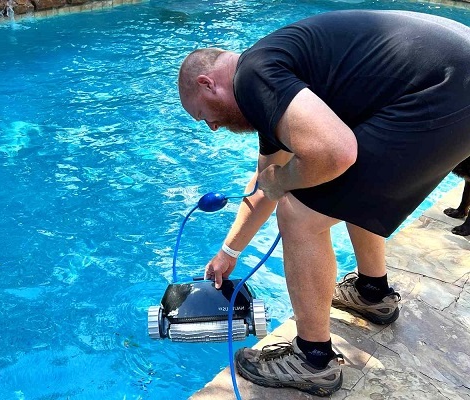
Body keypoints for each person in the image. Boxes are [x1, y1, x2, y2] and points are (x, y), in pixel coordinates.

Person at [177, 9, 470, 397]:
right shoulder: (271, 72)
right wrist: (229, 252)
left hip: (445, 88)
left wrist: (284, 182)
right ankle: (372, 293)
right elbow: (263, 185)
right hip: (454, 72)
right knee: (349, 183)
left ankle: (312, 360)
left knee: (298, 213)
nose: (213, 128)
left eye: (204, 117)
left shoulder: (254, 77)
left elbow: (331, 155)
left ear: (208, 83)